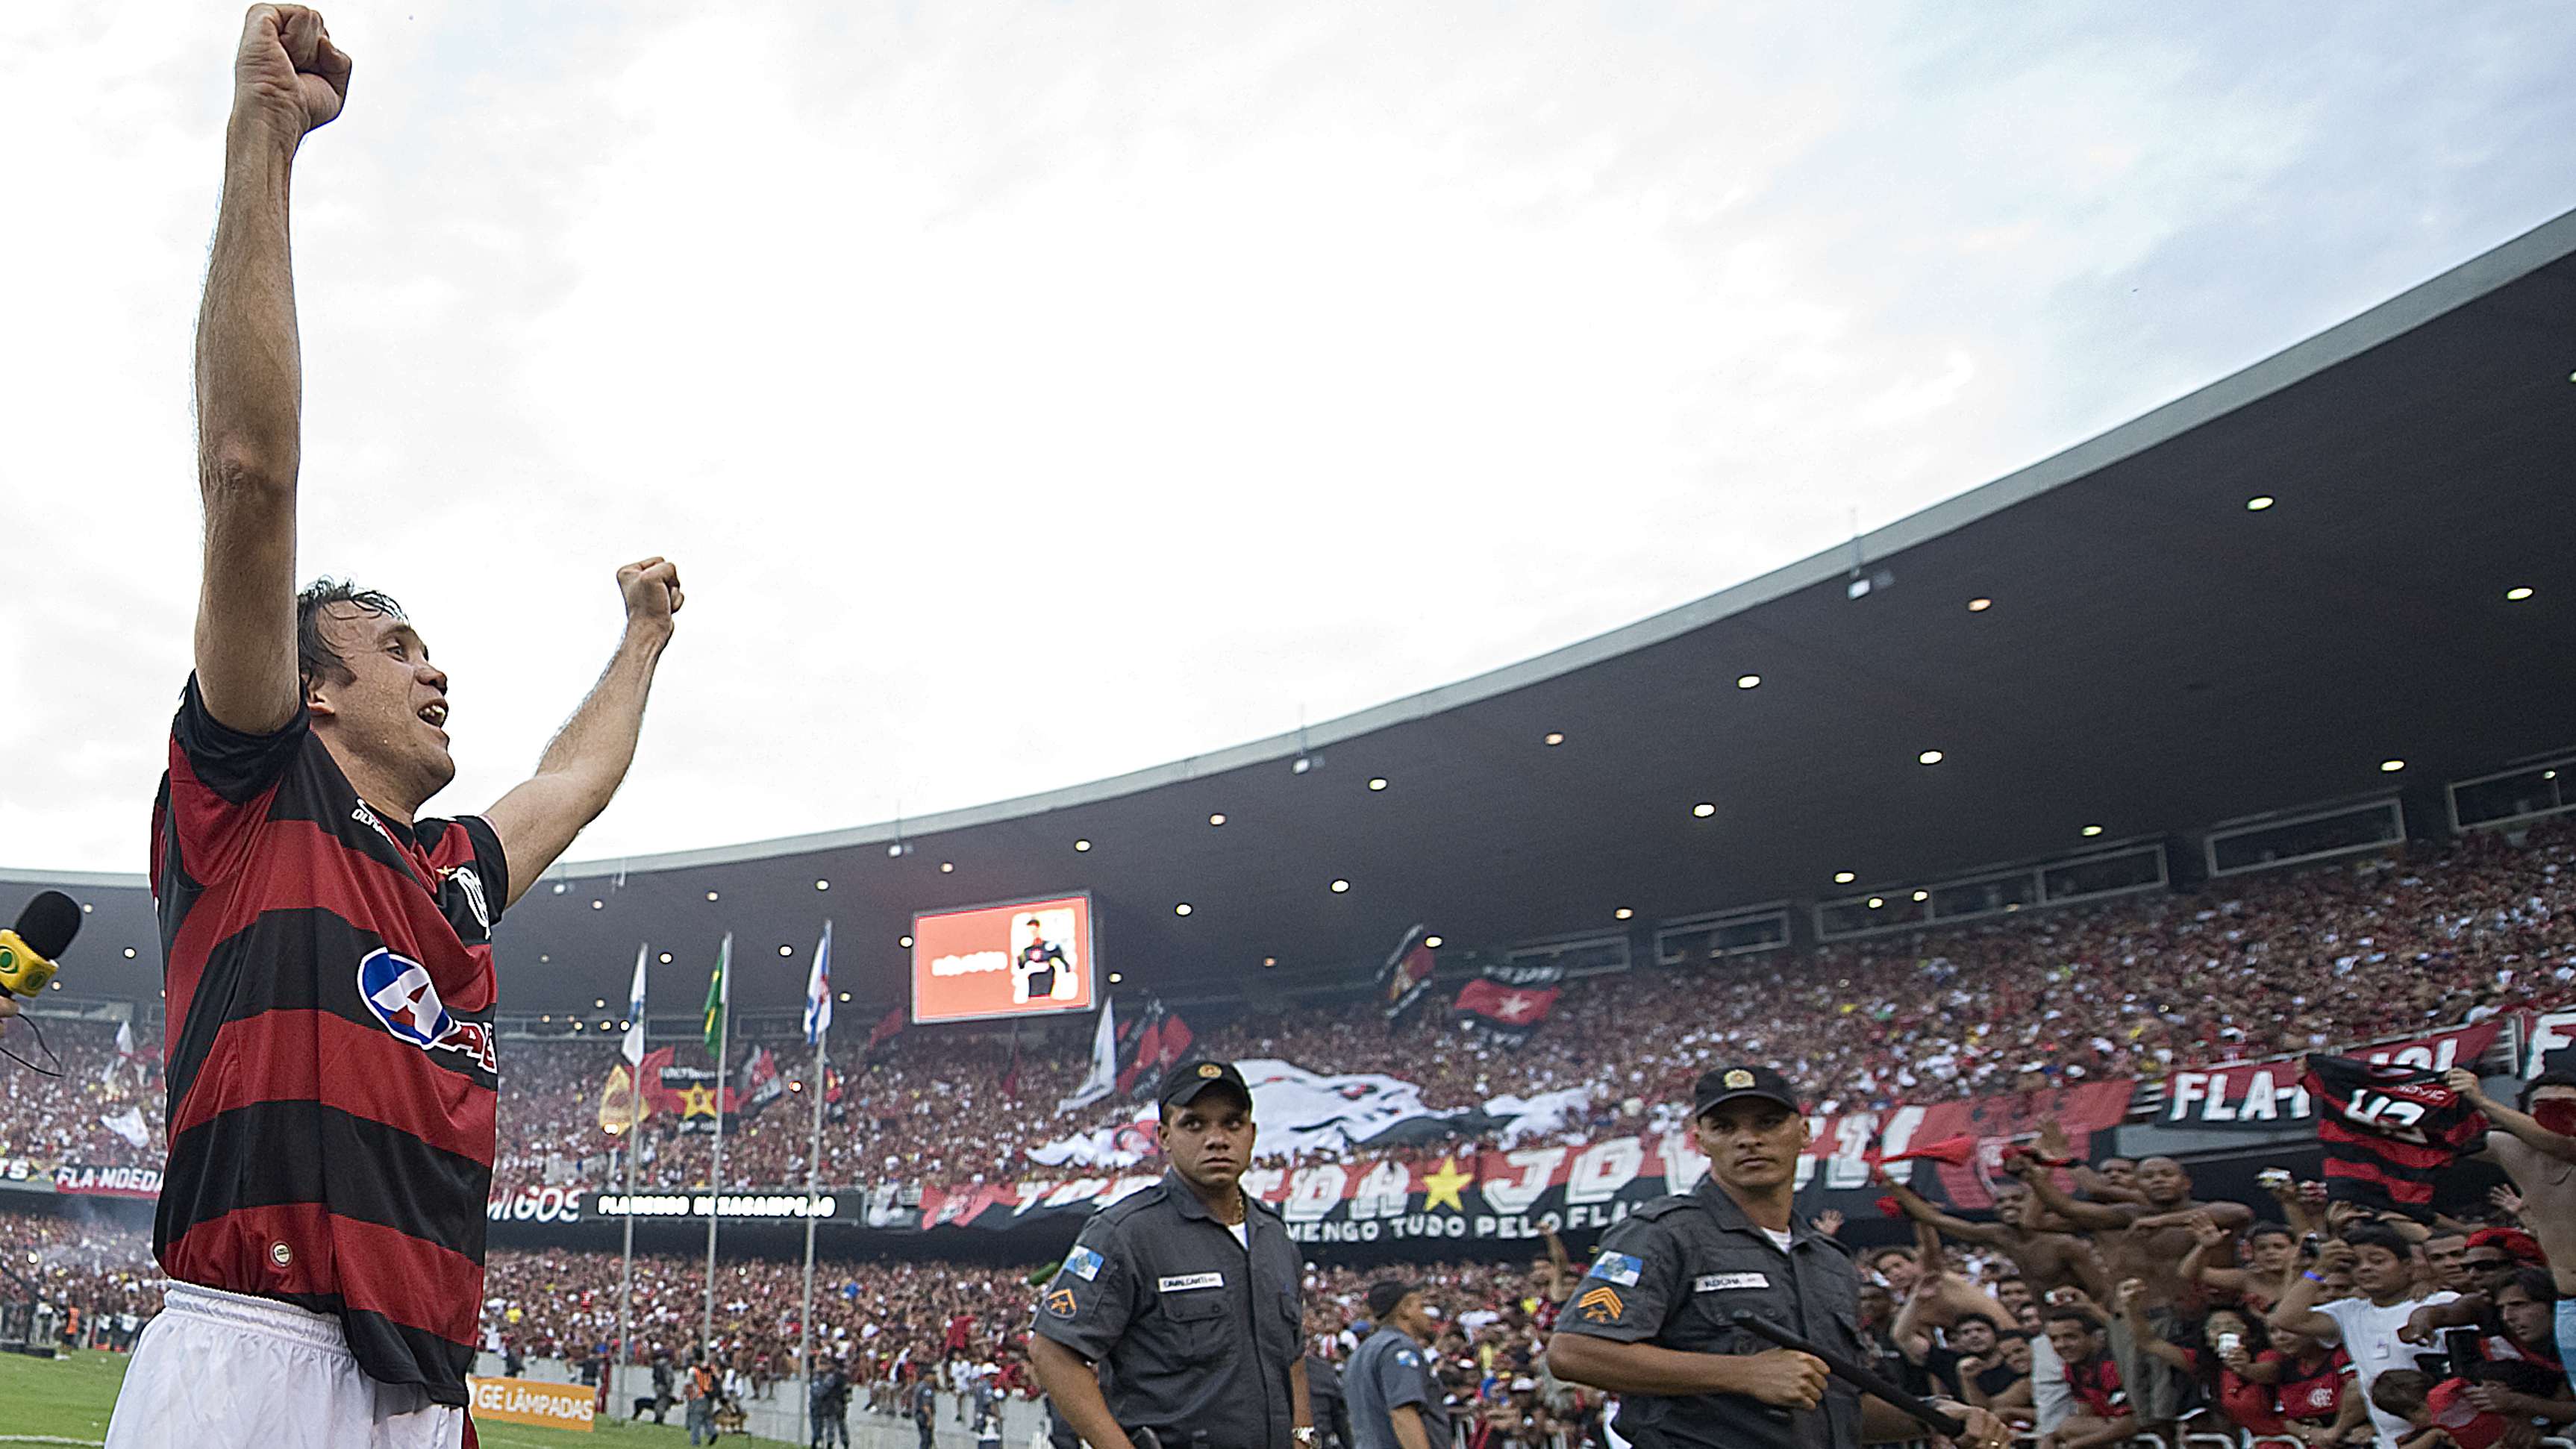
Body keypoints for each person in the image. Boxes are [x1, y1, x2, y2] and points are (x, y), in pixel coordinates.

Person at [102, 10, 685, 1449]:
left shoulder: (448, 880)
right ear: (314, 690)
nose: (437, 675)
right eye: (398, 649)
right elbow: (247, 472)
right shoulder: (252, 788)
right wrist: (267, 138)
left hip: (422, 1392)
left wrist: (643, 638)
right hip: (255, 1366)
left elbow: (574, 780)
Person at [1545, 1063, 2012, 1449]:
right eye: (1725, 1127)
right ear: (1700, 1141)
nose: (1748, 1139)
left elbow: (1834, 1409)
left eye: (1768, 1123)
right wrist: (1741, 1373)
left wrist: (1931, 1416)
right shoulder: (1664, 1234)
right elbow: (1575, 1352)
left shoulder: (1829, 1261)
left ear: (1804, 1132)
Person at [1031, 1060, 1316, 1449]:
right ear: (1164, 1136)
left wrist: (1302, 1438)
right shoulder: (1126, 1232)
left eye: (1231, 1124)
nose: (1216, 1139)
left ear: (1251, 1134)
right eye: (1194, 1124)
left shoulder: (1273, 1235)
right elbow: (1052, 1351)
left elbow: (1293, 1355)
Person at [2007, 1151, 2253, 1436]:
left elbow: (2239, 1213)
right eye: (2149, 1176)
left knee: (2202, 1407)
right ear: (2138, 1185)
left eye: (2165, 1174)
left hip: (2186, 1322)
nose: (2158, 1181)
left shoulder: (2204, 1213)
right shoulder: (2128, 1216)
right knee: (2148, 1413)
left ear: (2185, 1182)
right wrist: (2032, 1176)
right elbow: (2067, 1209)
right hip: (2133, 1321)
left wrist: (2163, 1222)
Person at [2272, 1222, 2460, 1449]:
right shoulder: (2350, 1311)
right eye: (2355, 1263)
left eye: (2378, 1261)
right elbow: (2286, 1319)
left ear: (2407, 1266)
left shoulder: (2442, 1302)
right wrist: (2319, 1270)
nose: (2365, 1268)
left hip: (2451, 1434)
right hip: (2392, 1441)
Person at [1346, 1280, 1451, 1449]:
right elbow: (1403, 1413)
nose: (1426, 1314)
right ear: (1405, 1309)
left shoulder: (1361, 1353)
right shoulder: (1399, 1348)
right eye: (1421, 1307)